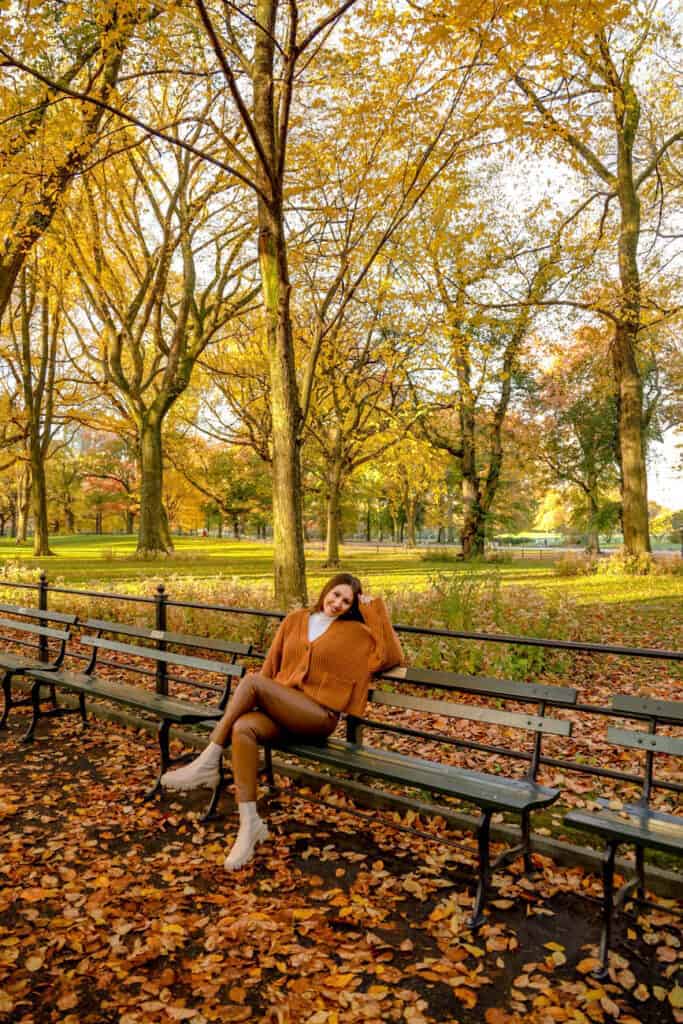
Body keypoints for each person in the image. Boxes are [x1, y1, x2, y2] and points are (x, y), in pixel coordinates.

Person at [161, 574, 403, 871]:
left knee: (251, 683)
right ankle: (250, 826)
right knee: (243, 728)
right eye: (335, 594)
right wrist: (260, 700)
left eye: (347, 601)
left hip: (318, 717)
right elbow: (270, 667)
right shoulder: (296, 619)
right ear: (326, 589)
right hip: (282, 712)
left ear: (353, 606)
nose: (337, 603)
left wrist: (375, 609)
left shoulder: (356, 632)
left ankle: (207, 761)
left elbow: (391, 657)